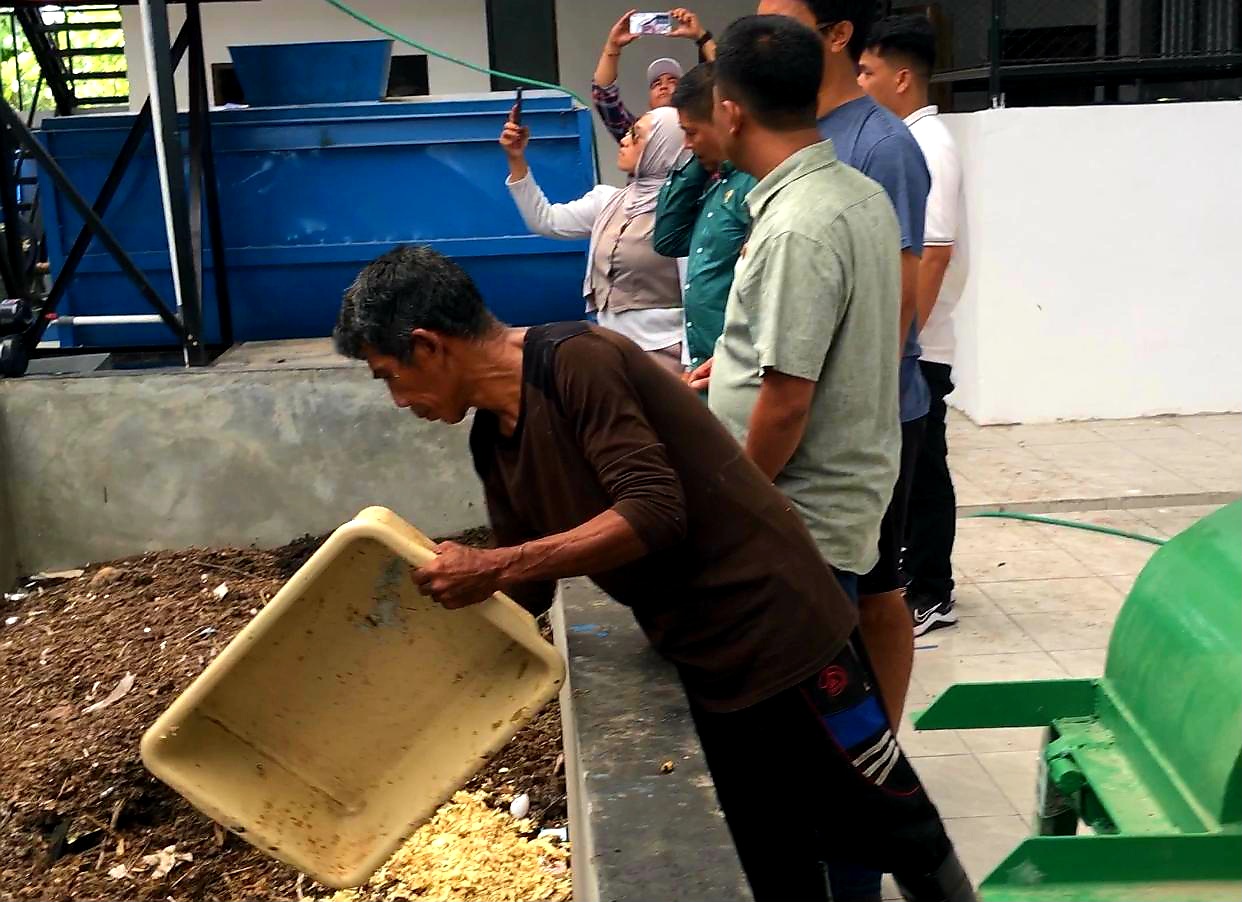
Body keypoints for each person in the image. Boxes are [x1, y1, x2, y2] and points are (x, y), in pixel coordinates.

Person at [333, 240, 973, 902]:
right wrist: (410, 678)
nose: (396, 399)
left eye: (387, 374)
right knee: (770, 852)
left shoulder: (576, 361)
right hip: (705, 657)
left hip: (782, 630)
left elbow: (652, 511)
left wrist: (496, 565)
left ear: (429, 345)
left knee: (888, 818)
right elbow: (523, 589)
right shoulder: (494, 442)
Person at [758, 0, 931, 732]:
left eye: (782, 20)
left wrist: (861, 407)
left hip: (869, 418)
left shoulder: (879, 145)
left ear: (837, 35)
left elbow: (901, 292)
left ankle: (879, 752)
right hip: (810, 412)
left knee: (875, 590)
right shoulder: (793, 135)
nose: (765, 33)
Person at [860, 15, 966, 636]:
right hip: (914, 340)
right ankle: (916, 575)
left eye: (868, 72)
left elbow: (935, 251)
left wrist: (905, 341)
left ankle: (931, 591)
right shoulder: (911, 139)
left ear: (902, 78)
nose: (860, 82)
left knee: (924, 469)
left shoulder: (928, 146)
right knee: (912, 466)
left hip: (920, 344)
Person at [501, 105, 686, 372]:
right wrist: (516, 159)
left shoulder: (682, 213)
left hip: (664, 354)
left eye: (636, 136)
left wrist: (691, 365)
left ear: (663, 147)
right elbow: (546, 221)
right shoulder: (609, 202)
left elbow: (694, 298)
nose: (624, 140)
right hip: (611, 348)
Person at [653, 62, 757, 375]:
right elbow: (668, 239)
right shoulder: (716, 183)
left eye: (691, 132)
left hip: (740, 368)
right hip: (706, 364)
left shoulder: (752, 184)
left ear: (725, 119)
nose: (686, 144)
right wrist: (701, 160)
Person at [593, 7, 717, 143]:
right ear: (649, 101)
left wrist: (701, 36)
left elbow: (722, 79)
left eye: (672, 81)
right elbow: (604, 96)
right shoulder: (638, 136)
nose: (663, 86)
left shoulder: (702, 129)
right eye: (656, 83)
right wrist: (613, 45)